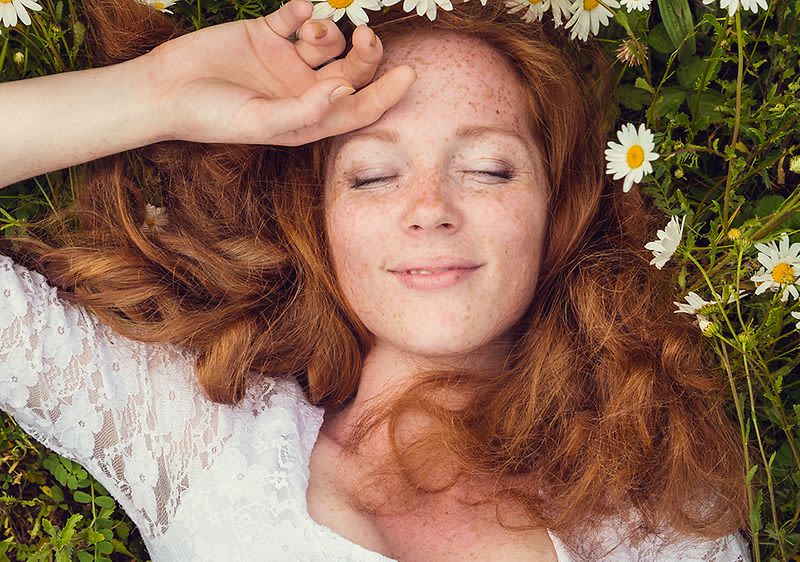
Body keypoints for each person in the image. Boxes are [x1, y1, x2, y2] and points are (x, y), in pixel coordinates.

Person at [0, 0, 754, 559]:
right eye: (372, 176)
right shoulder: (197, 435)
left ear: (557, 209)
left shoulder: (659, 509)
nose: (429, 210)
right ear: (318, 221)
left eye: (488, 168)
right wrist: (157, 94)